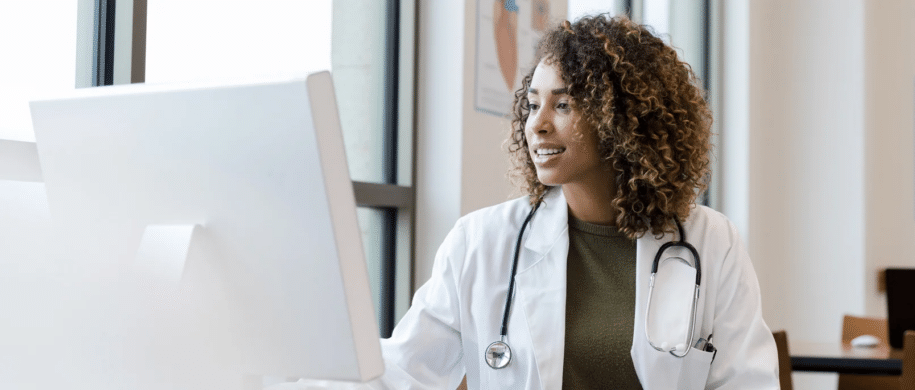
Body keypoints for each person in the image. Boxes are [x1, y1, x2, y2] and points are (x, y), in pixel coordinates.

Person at [287, 14, 779, 390]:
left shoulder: (709, 244)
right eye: (532, 103)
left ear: (623, 121)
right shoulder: (482, 242)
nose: (536, 124)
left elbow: (747, 381)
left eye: (563, 105)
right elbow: (401, 371)